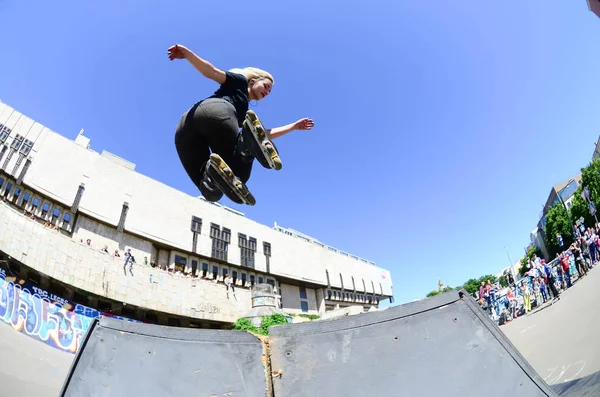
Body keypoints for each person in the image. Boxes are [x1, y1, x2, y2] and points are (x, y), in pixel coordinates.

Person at [168, 44, 315, 205]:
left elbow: (262, 133)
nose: (267, 92)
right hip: (216, 110)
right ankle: (246, 147)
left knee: (212, 193)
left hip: (184, 129)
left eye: (269, 92)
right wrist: (188, 54)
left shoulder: (243, 113)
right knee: (240, 174)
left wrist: (293, 127)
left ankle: (212, 175)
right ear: (252, 81)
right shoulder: (239, 81)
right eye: (266, 86)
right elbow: (211, 72)